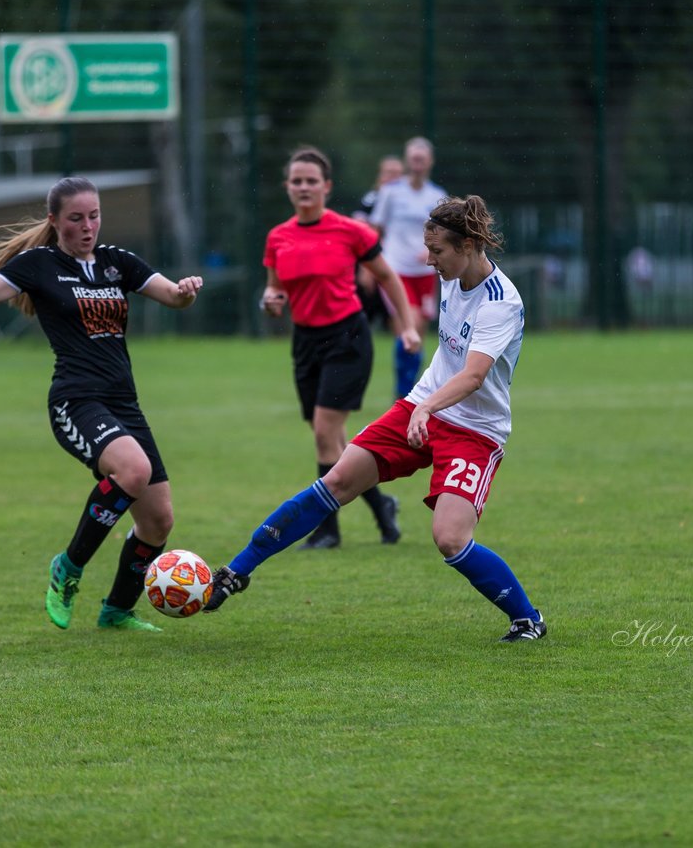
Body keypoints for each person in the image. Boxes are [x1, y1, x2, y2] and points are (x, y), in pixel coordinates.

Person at [206, 194, 546, 643]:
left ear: (467, 246)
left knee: (449, 539)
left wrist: (426, 406)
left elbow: (474, 375)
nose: (428, 261)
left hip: (474, 430)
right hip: (422, 406)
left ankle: (528, 620)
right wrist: (421, 399)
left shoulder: (501, 301)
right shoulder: (451, 276)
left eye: (437, 251)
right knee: (337, 482)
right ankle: (236, 572)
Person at [0, 176, 204, 633]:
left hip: (123, 403)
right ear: (54, 221)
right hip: (76, 401)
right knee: (133, 470)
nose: (87, 226)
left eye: (94, 216)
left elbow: (171, 296)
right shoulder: (38, 264)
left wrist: (185, 292)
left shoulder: (116, 263)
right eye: (76, 218)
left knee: (158, 520)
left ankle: (116, 611)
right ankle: (67, 568)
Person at [260, 146, 422, 550]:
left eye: (311, 181)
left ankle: (327, 529)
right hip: (306, 342)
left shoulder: (351, 231)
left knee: (323, 432)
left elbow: (388, 277)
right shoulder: (278, 237)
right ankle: (382, 507)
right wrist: (271, 300)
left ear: (326, 187)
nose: (303, 187)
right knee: (334, 440)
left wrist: (407, 328)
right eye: (296, 181)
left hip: (347, 338)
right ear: (287, 187)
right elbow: (274, 287)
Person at [370, 136, 447, 399]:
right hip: (396, 271)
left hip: (425, 273)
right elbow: (376, 229)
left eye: (422, 159)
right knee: (408, 325)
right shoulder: (391, 192)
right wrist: (370, 266)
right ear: (407, 161)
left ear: (430, 162)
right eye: (413, 158)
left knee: (417, 334)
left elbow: (444, 234)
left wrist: (431, 248)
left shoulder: (437, 196)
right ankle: (404, 394)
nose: (417, 164)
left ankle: (409, 390)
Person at [352, 155, 405, 330]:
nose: (393, 178)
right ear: (380, 175)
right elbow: (360, 233)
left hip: (399, 264)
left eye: (398, 174)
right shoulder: (371, 199)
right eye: (389, 173)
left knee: (399, 316)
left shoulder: (406, 204)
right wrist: (366, 268)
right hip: (372, 261)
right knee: (360, 316)